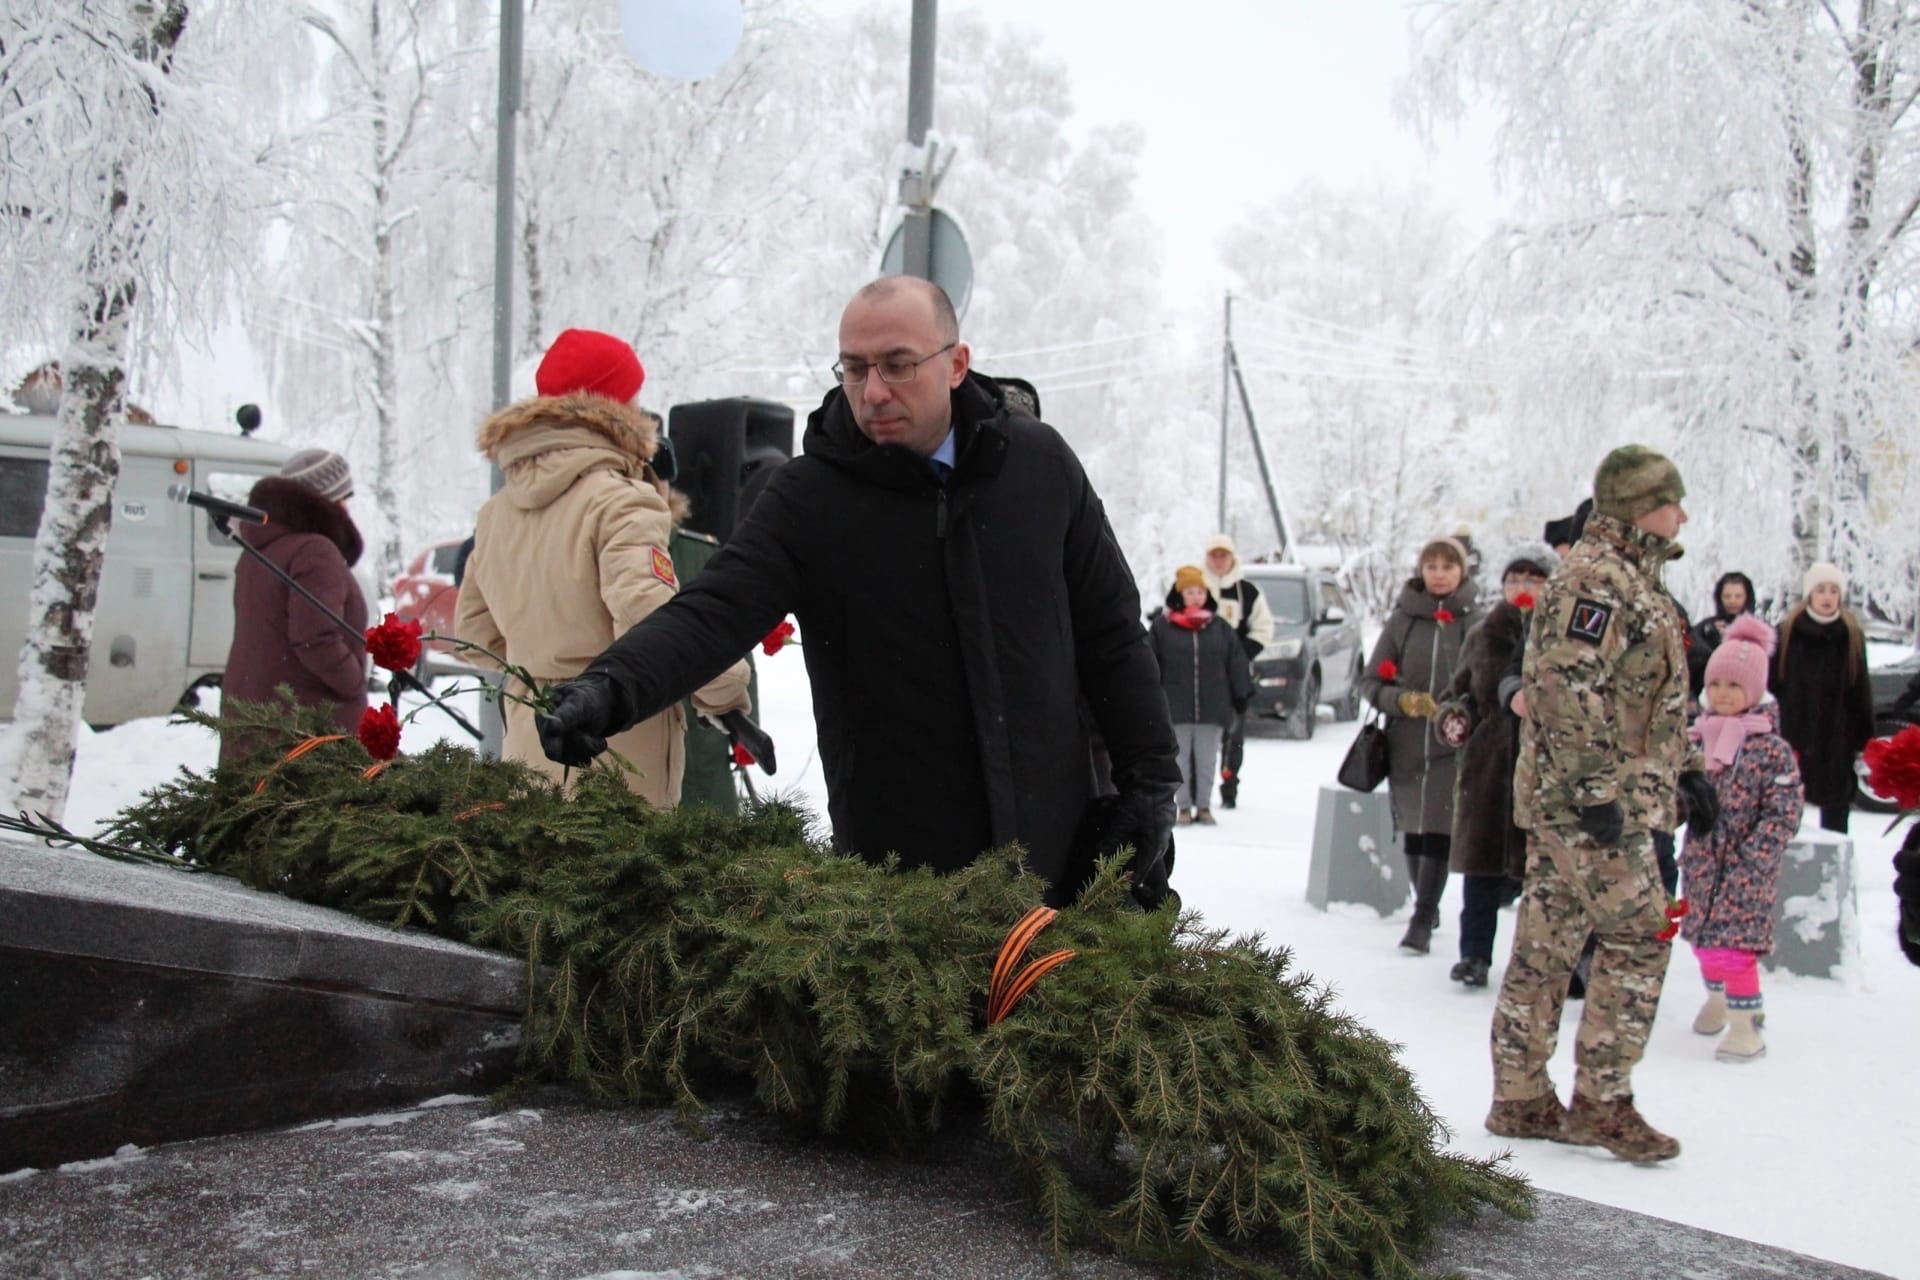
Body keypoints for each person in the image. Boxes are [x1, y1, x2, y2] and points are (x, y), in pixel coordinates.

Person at [531, 277, 1183, 908]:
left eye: (898, 365)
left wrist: (1150, 783)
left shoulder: (1038, 466)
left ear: (956, 364)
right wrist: (610, 687)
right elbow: (713, 612)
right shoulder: (810, 498)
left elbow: (1112, 633)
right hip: (900, 879)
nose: (872, 391)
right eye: (853, 368)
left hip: (1055, 857)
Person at [1486, 443, 1716, 1164]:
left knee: (1548, 943)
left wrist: (1691, 772)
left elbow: (1647, 701)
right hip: (1588, 805)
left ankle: (1521, 1098)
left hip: (1603, 798)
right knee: (1643, 931)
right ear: (1643, 507)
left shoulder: (1634, 580)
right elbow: (1565, 687)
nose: (1684, 513)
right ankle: (1603, 1103)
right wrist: (1593, 795)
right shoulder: (1596, 581)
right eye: (1673, 500)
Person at [453, 328, 762, 809]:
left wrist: (544, 667)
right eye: (635, 401)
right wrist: (725, 698)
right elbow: (654, 620)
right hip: (615, 746)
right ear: (614, 407)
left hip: (532, 737)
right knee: (620, 879)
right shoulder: (621, 500)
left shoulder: (496, 514)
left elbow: (473, 628)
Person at [1679, 615, 1801, 1064]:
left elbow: (1784, 809)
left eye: (1735, 685)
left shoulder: (1771, 749)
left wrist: (1756, 854)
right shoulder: (1697, 740)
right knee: (1703, 941)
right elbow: (1681, 796)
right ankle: (1718, 997)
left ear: (1753, 691)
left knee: (1734, 947)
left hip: (1747, 869)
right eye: (1716, 685)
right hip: (1701, 863)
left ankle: (1746, 1024)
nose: (1724, 693)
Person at [1436, 542, 1556, 988]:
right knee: (1482, 873)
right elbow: (1458, 693)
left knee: (1543, 878)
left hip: (1545, 771)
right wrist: (1455, 718)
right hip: (1488, 770)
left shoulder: (1562, 637)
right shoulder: (1483, 633)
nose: (1522, 589)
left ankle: (1543, 963)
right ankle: (1474, 956)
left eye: (1533, 579)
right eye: (1514, 579)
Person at [1355, 535, 1481, 954]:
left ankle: (1423, 915)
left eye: (1448, 566)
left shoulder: (1475, 621)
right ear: (1421, 572)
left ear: (1462, 571)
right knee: (1413, 827)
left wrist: (1462, 711)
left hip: (1454, 746)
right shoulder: (1402, 621)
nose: (1440, 574)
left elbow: (1487, 682)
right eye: (1432, 566)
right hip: (1406, 743)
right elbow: (1370, 682)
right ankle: (1424, 899)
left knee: (1440, 827)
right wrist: (1402, 700)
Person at [219, 449, 369, 767]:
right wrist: (354, 683)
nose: (347, 508)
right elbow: (316, 636)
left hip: (258, 714)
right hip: (305, 723)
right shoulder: (314, 550)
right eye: (344, 497)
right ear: (326, 500)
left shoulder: (260, 550)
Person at [1769, 563, 1874, 834]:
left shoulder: (1851, 635)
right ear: (1809, 595)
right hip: (1794, 736)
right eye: (1820, 590)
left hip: (1836, 739)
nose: (1827, 597)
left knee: (1836, 812)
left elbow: (1860, 690)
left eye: (1833, 591)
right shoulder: (1787, 633)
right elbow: (1773, 685)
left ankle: (1834, 870)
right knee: (1787, 810)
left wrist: (1864, 741)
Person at [1149, 566, 1253, 826]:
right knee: (1180, 762)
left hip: (1212, 708)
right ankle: (1183, 809)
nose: (1195, 596)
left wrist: (1241, 694)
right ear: (1179, 595)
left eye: (1200, 591)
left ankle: (1204, 807)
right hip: (1175, 708)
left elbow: (1236, 662)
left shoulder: (1219, 627)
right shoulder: (1163, 628)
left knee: (1207, 762)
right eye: (1190, 592)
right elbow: (1149, 664)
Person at [1198, 534, 1272, 809]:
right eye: (1214, 555)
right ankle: (1195, 792)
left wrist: (1238, 658)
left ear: (1232, 558)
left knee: (1233, 738)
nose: (1219, 561)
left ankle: (1229, 788)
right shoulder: (1194, 588)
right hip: (1199, 678)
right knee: (1197, 736)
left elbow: (1263, 630)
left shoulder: (1247, 592)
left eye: (1223, 555)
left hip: (1233, 681)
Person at [1686, 571, 1761, 698]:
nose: (1732, 601)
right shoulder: (1706, 627)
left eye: (1738, 596)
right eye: (1727, 596)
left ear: (1747, 598)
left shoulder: (1759, 630)